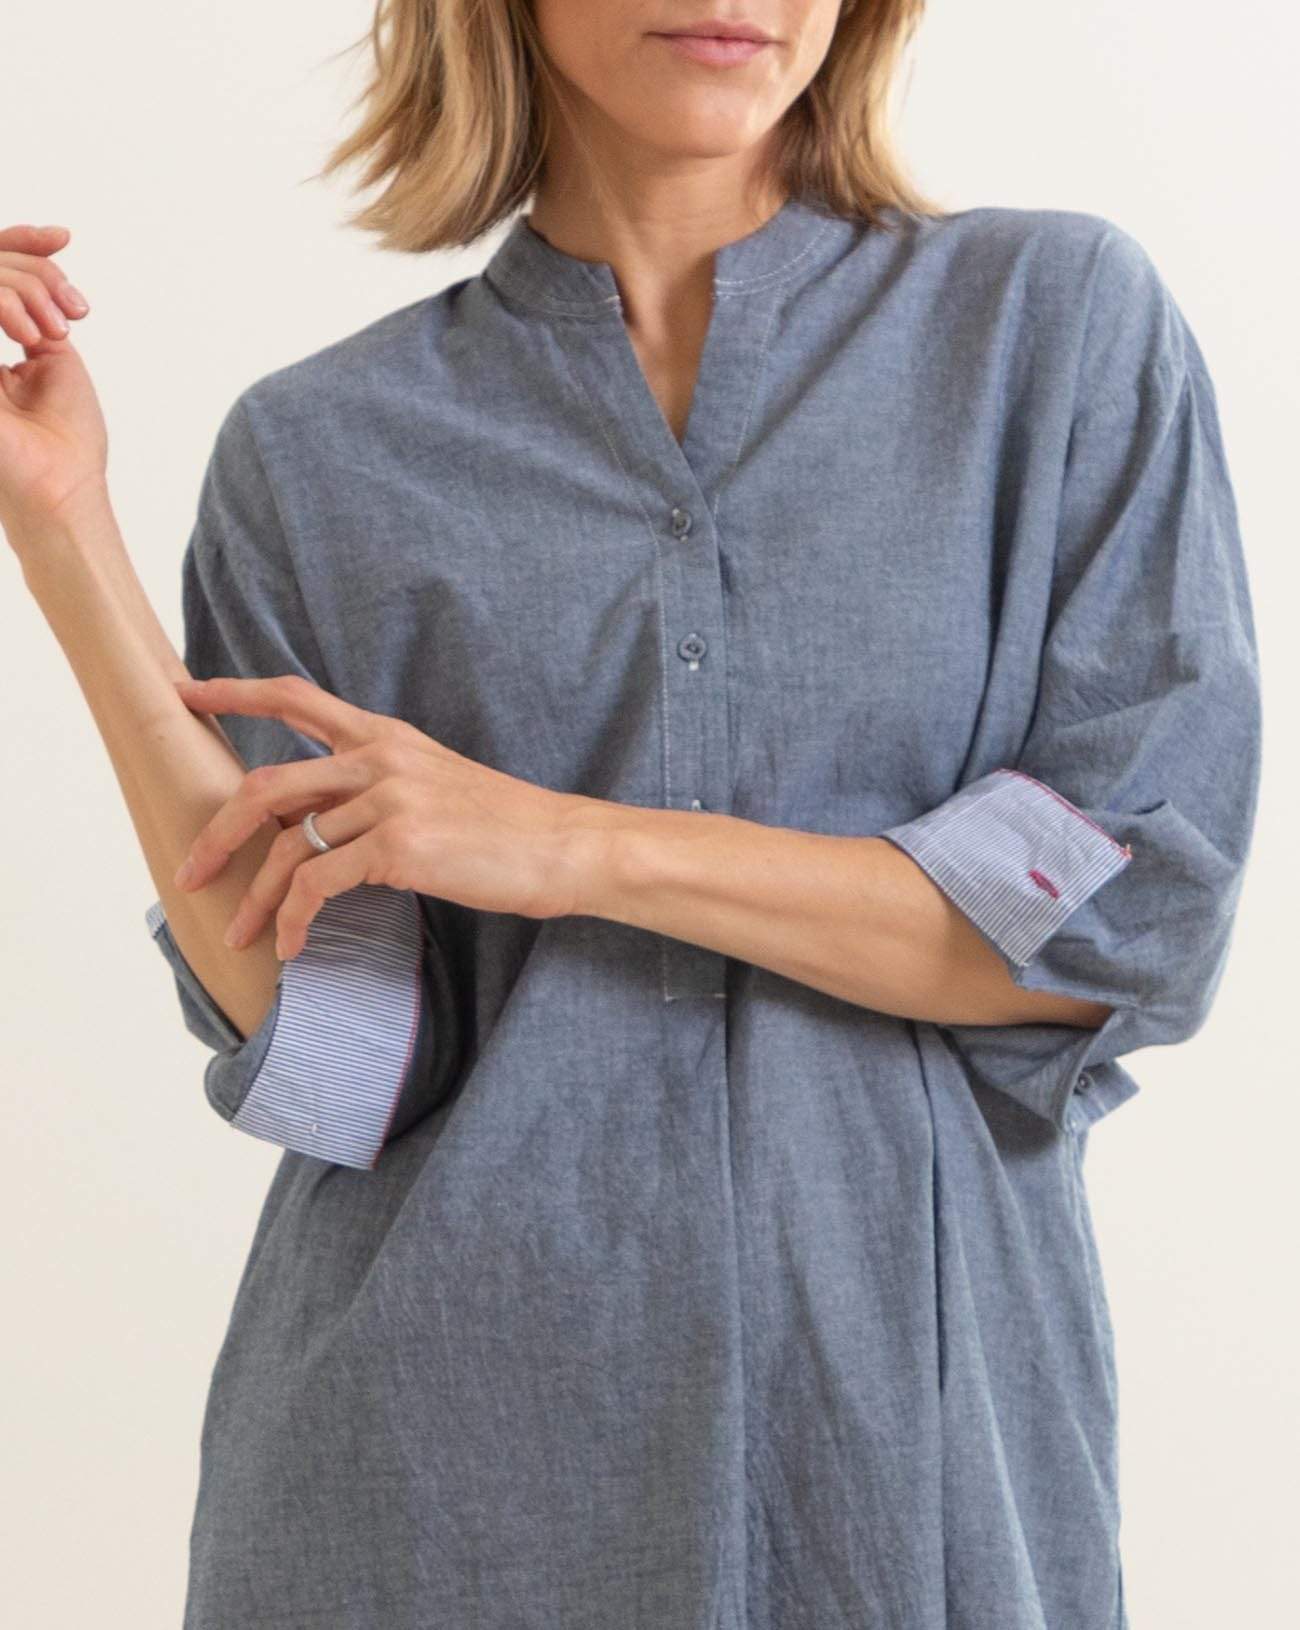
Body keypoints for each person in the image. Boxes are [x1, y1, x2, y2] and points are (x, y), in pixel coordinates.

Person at [3, 2, 1262, 1626]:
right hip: (439, 1495)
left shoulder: (1051, 331)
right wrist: (62, 529)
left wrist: (564, 844)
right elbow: (341, 1053)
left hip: (904, 1492)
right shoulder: (318, 454)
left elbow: (1120, 922)